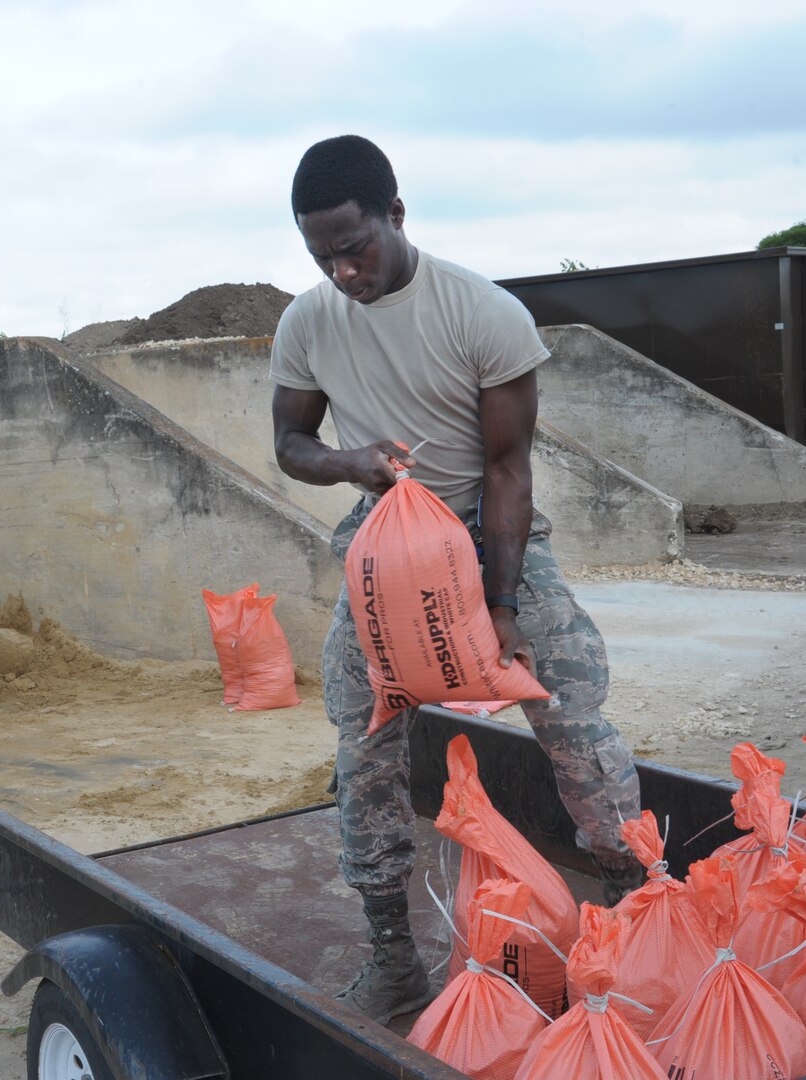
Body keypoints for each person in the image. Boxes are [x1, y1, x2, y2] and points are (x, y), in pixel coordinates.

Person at [269, 135, 644, 1023]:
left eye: (355, 245)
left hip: (486, 526)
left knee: (575, 713)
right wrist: (349, 463)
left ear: (396, 216)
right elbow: (289, 444)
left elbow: (509, 471)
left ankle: (638, 910)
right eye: (321, 254)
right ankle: (395, 954)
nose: (343, 270)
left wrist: (503, 606)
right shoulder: (309, 320)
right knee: (362, 739)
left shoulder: (482, 312)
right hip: (385, 540)